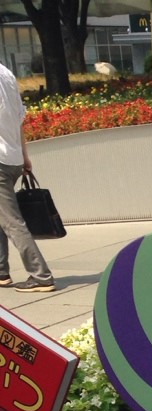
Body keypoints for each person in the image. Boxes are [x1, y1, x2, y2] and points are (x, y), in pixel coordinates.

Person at [0, 61, 55, 293]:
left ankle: (41, 276)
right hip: (12, 158)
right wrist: (24, 155)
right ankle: (1, 272)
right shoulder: (6, 73)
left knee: (12, 222)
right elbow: (19, 119)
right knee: (3, 217)